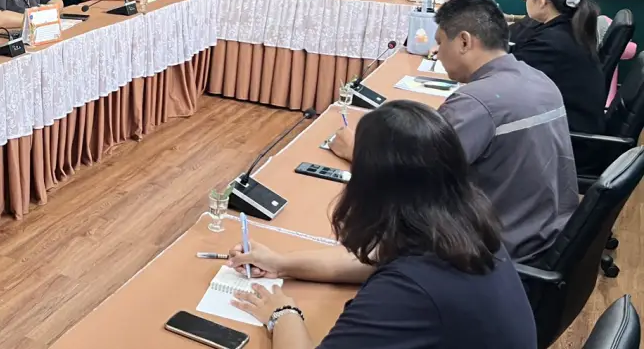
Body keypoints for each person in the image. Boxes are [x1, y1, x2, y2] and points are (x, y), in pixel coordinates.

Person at [228, 101, 536, 349]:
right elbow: (372, 260)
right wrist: (281, 264)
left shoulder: (408, 291)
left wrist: (282, 314)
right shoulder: (463, 226)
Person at [329, 0, 577, 261]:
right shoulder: (539, 79)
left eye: (439, 41)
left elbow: (414, 180)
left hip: (499, 249)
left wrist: (357, 151)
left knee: (365, 247)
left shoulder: (475, 103)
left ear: (464, 41)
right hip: (549, 236)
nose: (436, 52)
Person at [512, 0, 605, 134]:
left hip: (568, 138)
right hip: (570, 125)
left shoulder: (551, 43)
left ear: (541, 1)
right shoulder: (570, 30)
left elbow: (506, 78)